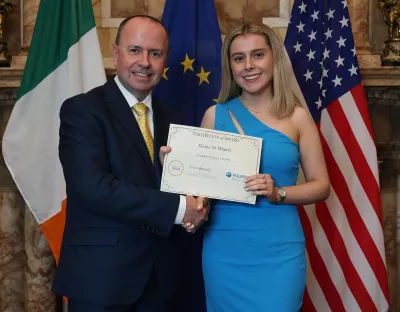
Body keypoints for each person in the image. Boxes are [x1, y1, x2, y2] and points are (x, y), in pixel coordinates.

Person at [52, 15, 208, 312]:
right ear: (116, 54)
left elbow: (180, 182)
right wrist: (179, 209)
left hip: (162, 279)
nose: (145, 62)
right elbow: (93, 188)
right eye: (135, 50)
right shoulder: (82, 110)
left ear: (165, 61)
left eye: (155, 53)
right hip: (101, 279)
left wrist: (199, 202)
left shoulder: (171, 116)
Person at [182, 23, 330, 311]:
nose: (248, 66)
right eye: (239, 58)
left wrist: (280, 194)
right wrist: (175, 166)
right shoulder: (214, 116)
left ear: (274, 58)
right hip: (224, 251)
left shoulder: (297, 118)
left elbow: (321, 185)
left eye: (258, 55)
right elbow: (198, 189)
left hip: (280, 251)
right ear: (231, 66)